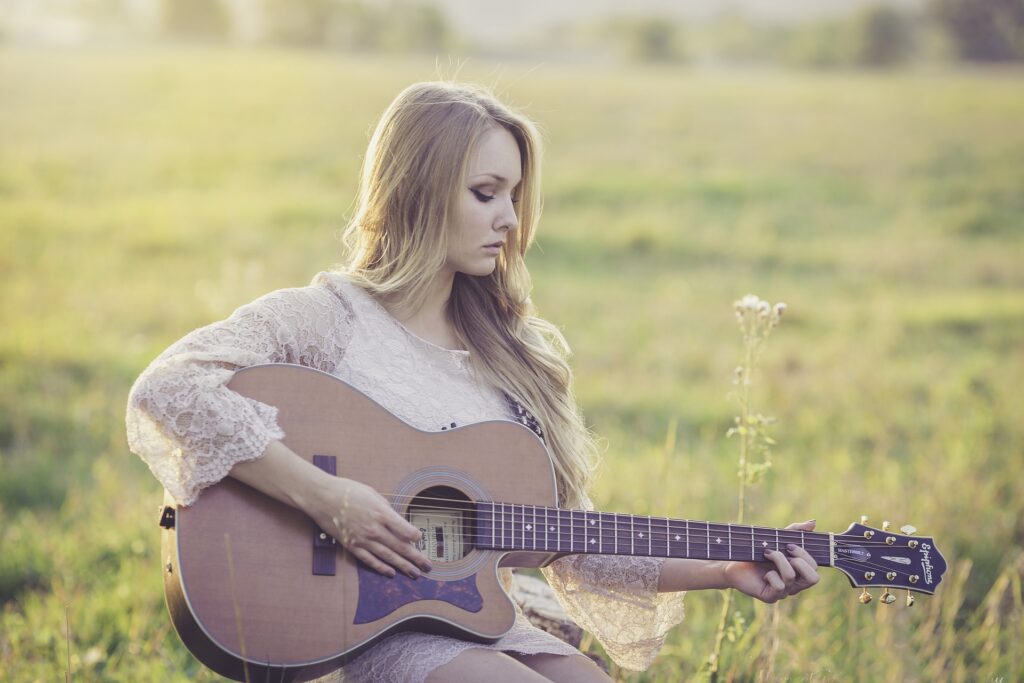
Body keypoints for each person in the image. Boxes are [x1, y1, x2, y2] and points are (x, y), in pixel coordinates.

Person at [126, 81, 820, 683]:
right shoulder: (326, 318)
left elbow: (567, 542)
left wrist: (729, 567)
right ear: (417, 190)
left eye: (515, 195)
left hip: (471, 620)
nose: (511, 220)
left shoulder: (513, 355)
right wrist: (329, 498)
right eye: (486, 193)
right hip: (362, 628)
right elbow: (169, 389)